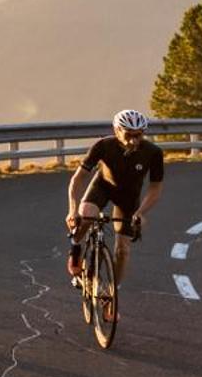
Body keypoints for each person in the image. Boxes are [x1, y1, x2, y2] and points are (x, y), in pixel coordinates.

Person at [66, 108, 166, 288]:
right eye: (129, 134)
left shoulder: (153, 152)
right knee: (86, 215)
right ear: (116, 130)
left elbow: (155, 188)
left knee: (123, 250)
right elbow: (77, 179)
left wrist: (141, 213)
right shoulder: (103, 146)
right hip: (102, 186)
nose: (134, 140)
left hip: (128, 197)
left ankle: (113, 292)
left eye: (139, 135)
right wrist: (72, 211)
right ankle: (75, 247)